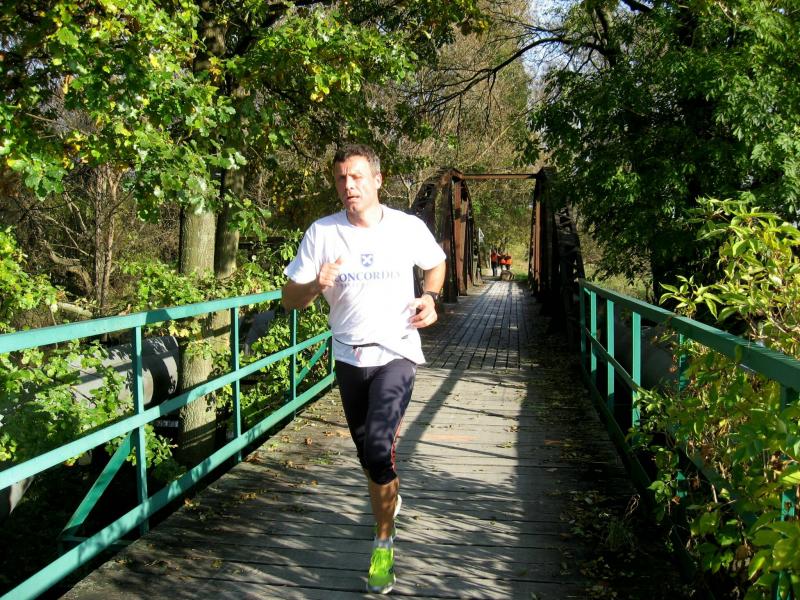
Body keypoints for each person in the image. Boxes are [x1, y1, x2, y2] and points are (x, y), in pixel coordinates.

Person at [281, 143, 446, 594]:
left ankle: (383, 543)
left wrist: (431, 297)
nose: (348, 185)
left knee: (377, 449)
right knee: (369, 458)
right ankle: (388, 499)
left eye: (356, 176)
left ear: (377, 179)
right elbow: (289, 298)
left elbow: (435, 264)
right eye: (341, 178)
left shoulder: (406, 227)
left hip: (396, 351)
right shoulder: (322, 233)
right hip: (348, 357)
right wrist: (316, 284)